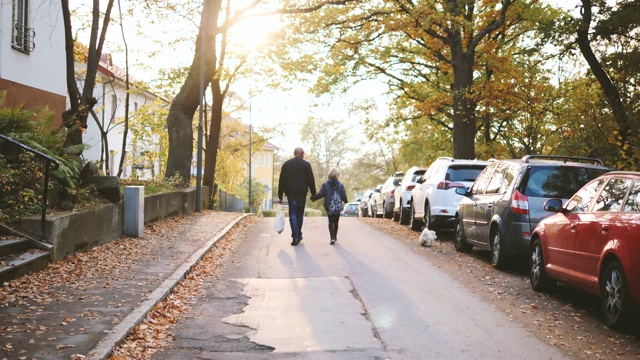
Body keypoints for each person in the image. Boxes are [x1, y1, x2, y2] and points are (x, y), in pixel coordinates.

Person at [278, 147, 317, 246]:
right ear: (301, 154)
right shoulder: (306, 165)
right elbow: (311, 180)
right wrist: (313, 193)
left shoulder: (286, 165)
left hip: (291, 194)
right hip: (301, 194)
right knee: (299, 214)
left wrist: (280, 195)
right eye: (303, 154)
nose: (304, 155)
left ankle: (296, 236)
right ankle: (297, 235)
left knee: (293, 215)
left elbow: (281, 181)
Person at [311, 167, 348, 245]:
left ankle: (332, 238)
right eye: (338, 174)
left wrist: (314, 198)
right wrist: (346, 201)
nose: (339, 175)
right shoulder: (340, 185)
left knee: (330, 221)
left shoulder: (325, 185)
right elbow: (343, 195)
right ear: (336, 175)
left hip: (329, 205)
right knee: (336, 222)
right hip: (337, 206)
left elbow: (321, 194)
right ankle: (335, 236)